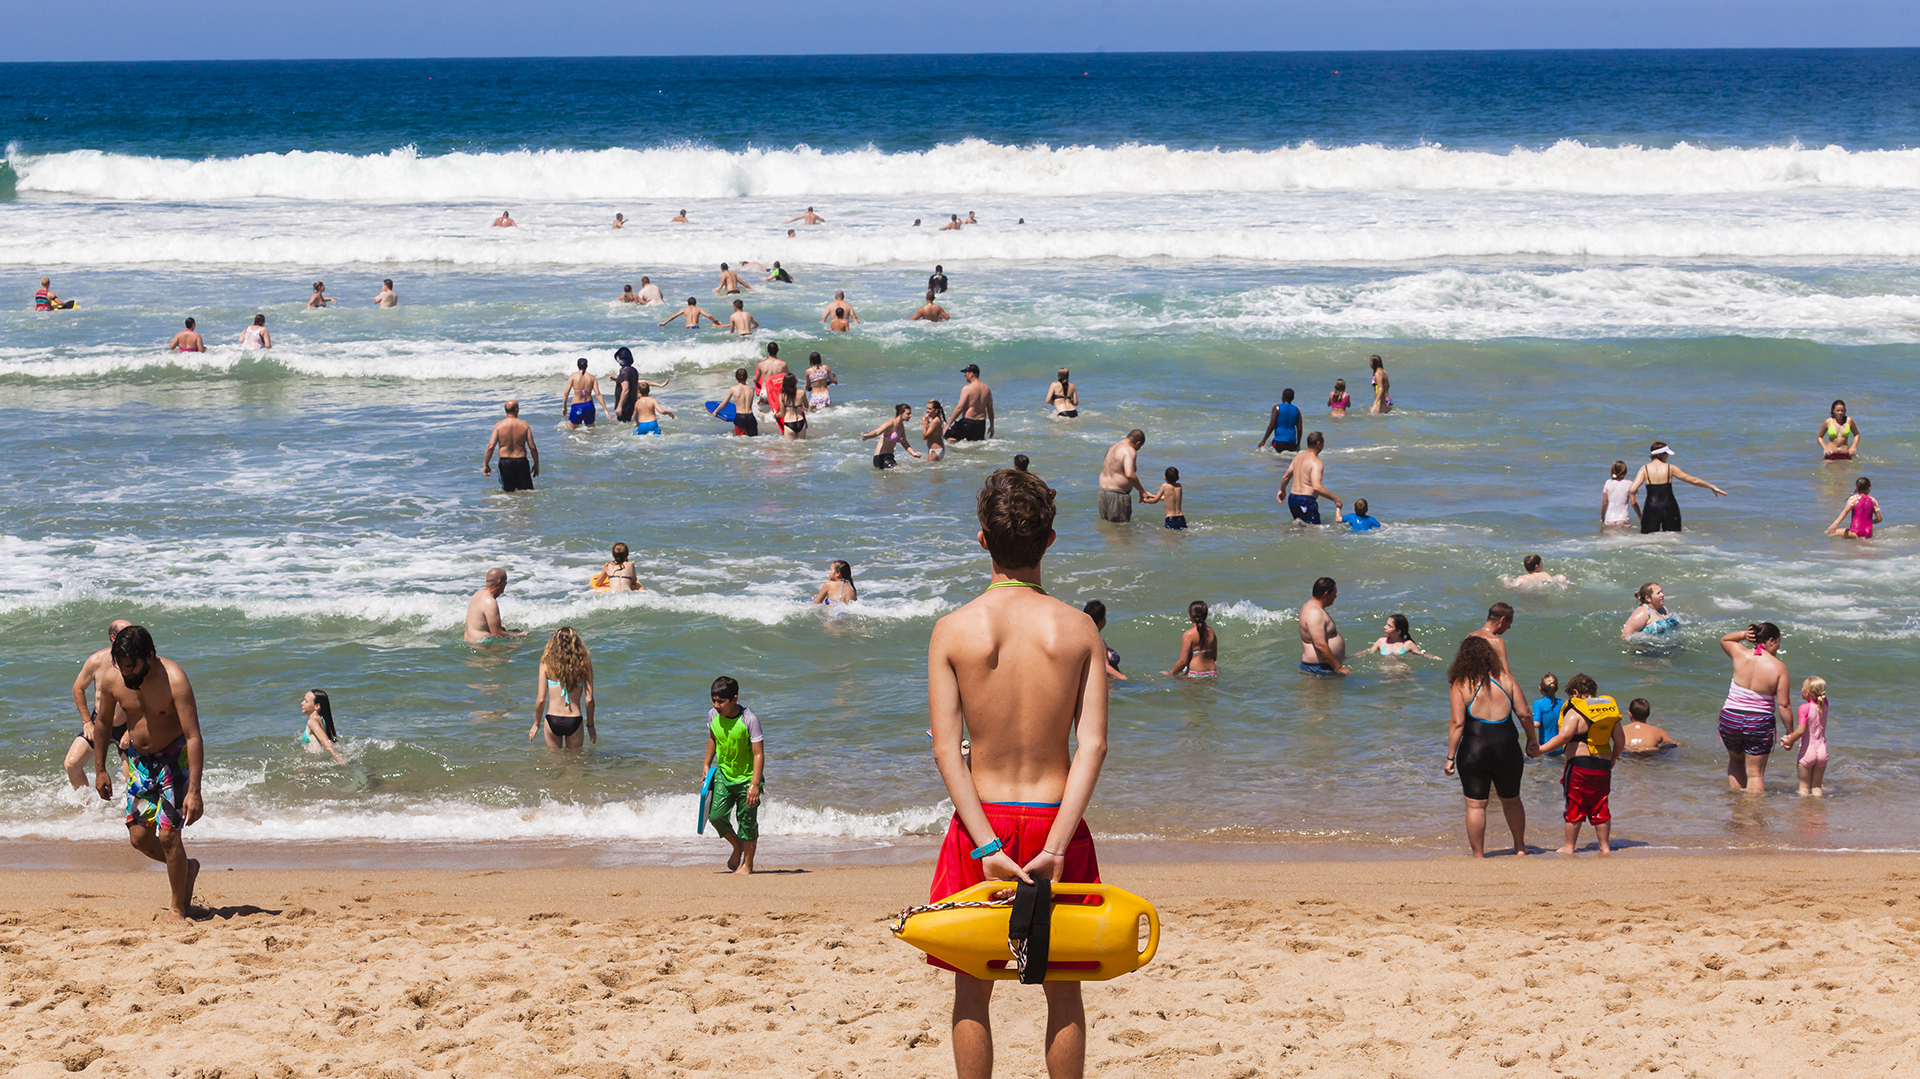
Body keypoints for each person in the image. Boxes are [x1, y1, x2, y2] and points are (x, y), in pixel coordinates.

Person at [926, 468, 1109, 1079]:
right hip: (1059, 823)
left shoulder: (953, 631)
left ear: (983, 540)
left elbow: (947, 752)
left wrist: (984, 845)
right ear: (1050, 541)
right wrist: (1056, 846)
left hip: (984, 825)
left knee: (974, 988)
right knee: (1063, 988)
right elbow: (1094, 748)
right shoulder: (1080, 629)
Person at [90, 626, 204, 919]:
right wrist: (100, 768)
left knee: (168, 837)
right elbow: (102, 723)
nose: (126, 673)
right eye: (121, 666)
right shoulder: (114, 678)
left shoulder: (174, 679)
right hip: (139, 763)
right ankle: (186, 868)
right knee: (139, 838)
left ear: (149, 656)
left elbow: (193, 736)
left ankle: (178, 907)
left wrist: (194, 792)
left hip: (173, 761)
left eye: (131, 667)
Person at [1442, 635, 1534, 858]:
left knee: (1476, 806)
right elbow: (1524, 713)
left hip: (1475, 749)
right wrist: (1532, 740)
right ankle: (1520, 848)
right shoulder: (1506, 679)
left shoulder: (1461, 684)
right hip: (1507, 747)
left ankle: (1479, 854)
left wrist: (1450, 757)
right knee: (1512, 801)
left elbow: (1458, 723)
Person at [1538, 674, 1623, 855]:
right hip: (1603, 766)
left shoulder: (1574, 712)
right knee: (1600, 804)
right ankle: (1605, 846)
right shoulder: (1609, 712)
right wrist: (1613, 759)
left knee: (1574, 804)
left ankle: (1569, 846)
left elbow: (1564, 736)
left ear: (1575, 693)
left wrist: (1540, 750)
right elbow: (1620, 741)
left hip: (1579, 765)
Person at [702, 676, 764, 874]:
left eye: (721, 701)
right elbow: (713, 738)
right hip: (723, 775)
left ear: (734, 699)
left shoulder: (749, 719)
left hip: (747, 779)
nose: (716, 705)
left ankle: (748, 864)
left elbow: (758, 754)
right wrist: (706, 764)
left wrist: (755, 784)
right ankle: (737, 845)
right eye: (714, 700)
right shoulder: (713, 715)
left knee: (747, 821)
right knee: (716, 816)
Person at [1718, 623, 1790, 793]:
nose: (1779, 647)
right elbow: (1784, 705)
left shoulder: (1740, 653)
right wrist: (1790, 731)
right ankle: (1752, 815)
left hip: (1730, 717)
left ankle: (1737, 807)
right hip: (1758, 721)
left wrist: (1744, 634)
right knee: (1755, 774)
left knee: (1736, 762)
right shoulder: (1779, 667)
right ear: (1771, 641)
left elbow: (1725, 639)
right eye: (1778, 642)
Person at [65, 619, 133, 790]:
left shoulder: (138, 663)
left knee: (131, 780)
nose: (132, 638)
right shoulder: (96, 661)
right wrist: (87, 722)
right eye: (126, 634)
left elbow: (147, 700)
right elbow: (78, 688)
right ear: (113, 637)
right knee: (71, 764)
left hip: (128, 723)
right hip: (100, 722)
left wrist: (130, 731)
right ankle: (88, 810)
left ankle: (124, 814)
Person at [1628, 441, 1726, 534]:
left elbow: (1632, 489)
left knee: (1648, 537)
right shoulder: (1670, 468)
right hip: (1669, 506)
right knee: (1673, 536)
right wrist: (1711, 486)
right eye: (1667, 454)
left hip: (1651, 507)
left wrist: (1636, 490)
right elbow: (1693, 480)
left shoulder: (1644, 469)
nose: (1667, 457)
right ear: (1662, 454)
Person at [529, 627, 596, 749]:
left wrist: (536, 724)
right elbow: (589, 699)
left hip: (552, 719)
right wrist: (590, 726)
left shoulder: (546, 664)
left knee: (554, 764)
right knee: (574, 765)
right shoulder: (584, 665)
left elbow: (541, 699)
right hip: (574, 719)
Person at [1276, 431, 1340, 525]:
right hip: (1306, 500)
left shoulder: (1297, 457)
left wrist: (1282, 490)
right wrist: (1336, 499)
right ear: (1318, 443)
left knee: (1300, 528)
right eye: (1323, 442)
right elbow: (1317, 487)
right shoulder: (1316, 462)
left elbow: (1286, 476)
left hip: (1292, 498)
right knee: (1313, 532)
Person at [1782, 677, 1829, 797]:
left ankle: (1804, 812)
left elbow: (1800, 731)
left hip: (1808, 752)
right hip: (1822, 752)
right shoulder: (1825, 704)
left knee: (1804, 787)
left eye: (1803, 686)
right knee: (1817, 787)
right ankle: (1817, 811)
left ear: (1807, 692)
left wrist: (1788, 740)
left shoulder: (1804, 708)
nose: (1801, 689)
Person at [482, 400, 538, 491]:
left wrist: (486, 464)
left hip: (505, 462)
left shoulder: (499, 426)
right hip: (521, 461)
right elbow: (532, 447)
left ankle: (510, 506)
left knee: (508, 493)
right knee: (526, 492)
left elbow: (490, 447)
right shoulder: (524, 425)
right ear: (517, 410)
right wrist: (536, 464)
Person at [1299, 577, 1348, 675]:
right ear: (1326, 594)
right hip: (1318, 669)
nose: (1336, 597)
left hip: (1322, 667)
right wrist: (1340, 668)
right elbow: (1320, 645)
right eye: (1334, 594)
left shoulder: (1312, 608)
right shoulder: (1315, 613)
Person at [464, 567, 528, 643]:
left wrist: (508, 630)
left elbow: (482, 624)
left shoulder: (478, 594)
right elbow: (497, 634)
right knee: (521, 647)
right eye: (505, 582)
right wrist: (520, 636)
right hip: (481, 645)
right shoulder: (490, 602)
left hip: (469, 642)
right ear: (499, 583)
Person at [1097, 430, 1148, 523]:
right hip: (1117, 495)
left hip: (1103, 493)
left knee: (1109, 530)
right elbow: (1130, 474)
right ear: (1138, 443)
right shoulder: (1129, 450)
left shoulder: (1112, 447)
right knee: (1120, 532)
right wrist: (1142, 491)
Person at [1165, 600, 1219, 677]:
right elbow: (1214, 657)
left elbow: (1183, 662)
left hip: (1195, 673)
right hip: (1212, 672)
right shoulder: (1212, 632)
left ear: (1191, 616)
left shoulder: (1188, 635)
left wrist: (1171, 673)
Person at [862, 404, 922, 469]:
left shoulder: (901, 426)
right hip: (881, 458)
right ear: (900, 413)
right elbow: (877, 431)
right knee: (901, 471)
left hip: (890, 457)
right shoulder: (891, 423)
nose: (910, 416)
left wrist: (913, 453)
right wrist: (868, 436)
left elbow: (904, 442)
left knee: (903, 471)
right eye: (908, 414)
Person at [1364, 613, 1439, 659]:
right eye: (1386, 624)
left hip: (1401, 671)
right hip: (1384, 671)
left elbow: (1421, 655)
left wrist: (1432, 657)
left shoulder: (1408, 644)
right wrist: (1355, 656)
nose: (1385, 627)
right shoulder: (1381, 641)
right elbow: (1369, 651)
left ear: (1398, 631)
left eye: (1389, 626)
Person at [299, 689, 346, 764]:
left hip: (313, 763)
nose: (302, 703)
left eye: (306, 701)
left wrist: (336, 755)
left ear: (317, 706)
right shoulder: (322, 720)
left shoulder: (312, 722)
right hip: (318, 761)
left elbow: (326, 742)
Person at [1084, 599, 1126, 681]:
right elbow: (1105, 667)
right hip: (1110, 687)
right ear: (1101, 621)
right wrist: (1126, 680)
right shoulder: (1097, 639)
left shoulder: (1086, 637)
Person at [950, 365, 994, 441]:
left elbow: (960, 408)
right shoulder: (987, 389)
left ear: (971, 374)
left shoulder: (967, 388)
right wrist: (991, 426)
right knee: (974, 445)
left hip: (968, 422)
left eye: (966, 373)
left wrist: (948, 424)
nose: (964, 375)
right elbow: (990, 409)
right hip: (981, 424)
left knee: (948, 437)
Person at [1468, 603, 1515, 673]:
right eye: (1509, 623)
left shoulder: (1470, 636)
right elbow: (1505, 674)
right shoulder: (1497, 641)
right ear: (1502, 620)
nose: (1509, 627)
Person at [562, 357, 607, 429]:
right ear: (587, 366)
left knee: (570, 429)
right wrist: (605, 410)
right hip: (589, 406)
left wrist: (564, 407)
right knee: (590, 430)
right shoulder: (592, 378)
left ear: (577, 365)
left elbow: (566, 392)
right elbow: (598, 394)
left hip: (577, 406)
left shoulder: (573, 376)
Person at [1257, 389, 1303, 453]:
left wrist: (1263, 440)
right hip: (1292, 443)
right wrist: (1298, 444)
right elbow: (1299, 429)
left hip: (1279, 442)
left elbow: (1272, 425)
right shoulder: (1297, 410)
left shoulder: (1277, 408)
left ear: (1282, 396)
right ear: (1293, 398)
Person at [719, 368, 760, 436]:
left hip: (740, 417)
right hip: (751, 417)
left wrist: (715, 412)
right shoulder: (751, 389)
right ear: (746, 377)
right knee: (754, 439)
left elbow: (724, 404)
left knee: (740, 441)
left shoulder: (733, 389)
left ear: (736, 378)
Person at [1531, 673, 1563, 758]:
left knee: (1545, 769)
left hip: (1546, 747)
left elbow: (1536, 724)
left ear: (1540, 688)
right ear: (1556, 689)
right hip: (1560, 746)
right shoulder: (1561, 703)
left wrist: (1528, 719)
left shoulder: (1538, 704)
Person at [1601, 461, 1637, 527]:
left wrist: (1602, 518)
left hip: (1610, 518)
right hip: (1623, 518)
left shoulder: (1608, 483)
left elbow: (1604, 503)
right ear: (1625, 471)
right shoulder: (1629, 484)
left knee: (1610, 537)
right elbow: (1633, 502)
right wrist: (1640, 516)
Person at [777, 373, 808, 440]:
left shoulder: (782, 396)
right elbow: (807, 406)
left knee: (790, 449)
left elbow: (781, 413)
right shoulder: (802, 393)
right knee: (802, 447)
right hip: (800, 422)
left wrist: (775, 415)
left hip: (789, 423)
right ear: (795, 382)